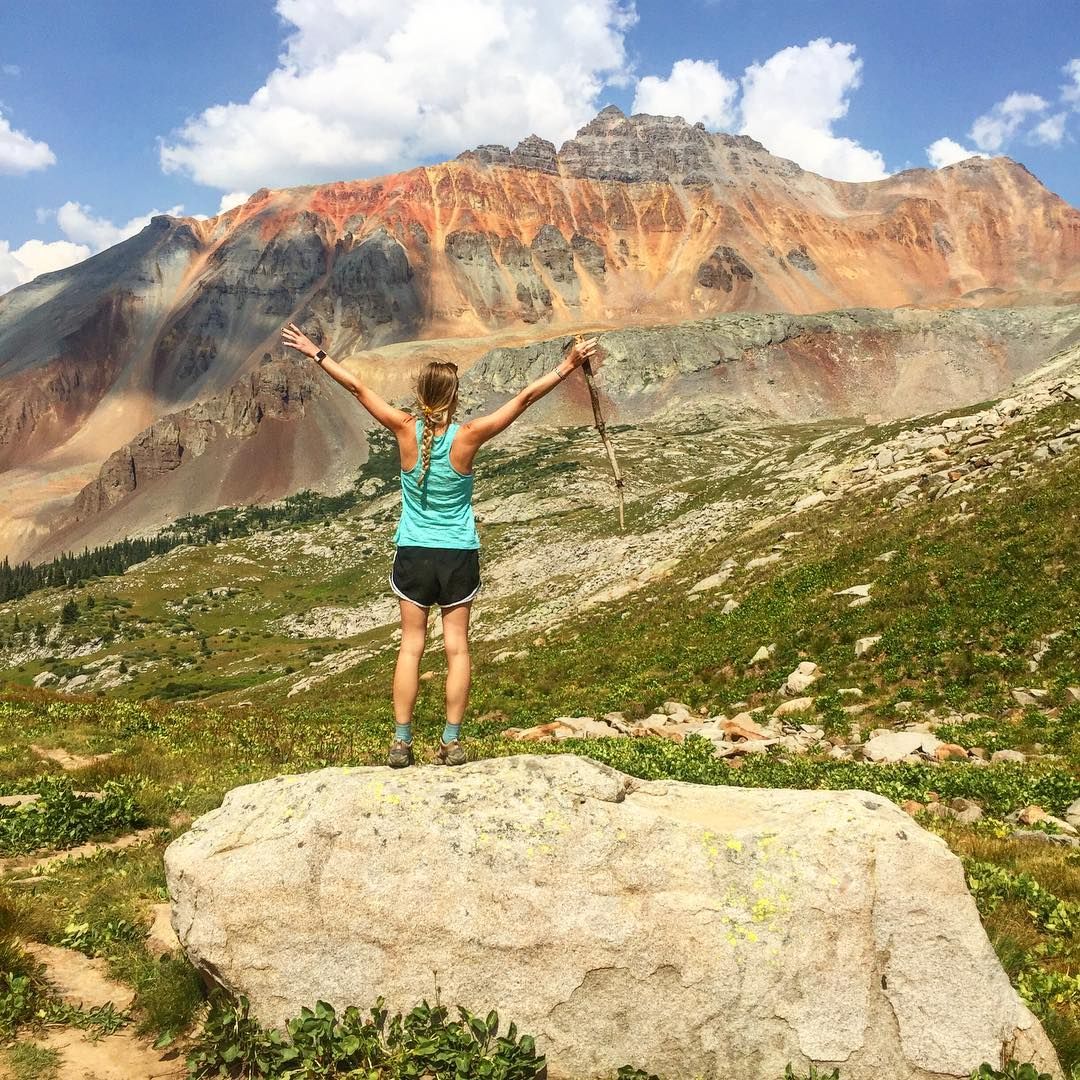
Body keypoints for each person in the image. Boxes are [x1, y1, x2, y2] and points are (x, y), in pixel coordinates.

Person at [280, 322, 598, 768]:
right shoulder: (469, 435)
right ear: (454, 396)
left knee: (411, 647)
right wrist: (567, 366)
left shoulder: (404, 428)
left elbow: (355, 387)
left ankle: (400, 742)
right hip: (458, 555)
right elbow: (524, 399)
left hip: (413, 553)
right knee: (457, 649)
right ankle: (451, 742)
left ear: (421, 394)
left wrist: (316, 353)